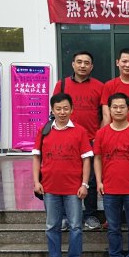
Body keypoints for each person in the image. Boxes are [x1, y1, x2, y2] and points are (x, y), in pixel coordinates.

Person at [33, 93, 92, 257]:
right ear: (52, 110)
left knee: (75, 226)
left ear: (72, 109)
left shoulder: (80, 131)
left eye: (66, 108)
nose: (62, 112)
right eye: (58, 109)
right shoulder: (44, 130)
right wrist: (36, 181)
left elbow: (86, 160)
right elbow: (36, 157)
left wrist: (84, 184)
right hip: (50, 187)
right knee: (52, 225)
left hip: (73, 188)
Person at [94, 93, 129, 257]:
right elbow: (97, 158)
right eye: (114, 107)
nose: (118, 110)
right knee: (113, 226)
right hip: (110, 187)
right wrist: (99, 181)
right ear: (109, 109)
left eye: (122, 107)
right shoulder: (101, 133)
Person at [52, 51, 103, 230]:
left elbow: (104, 114)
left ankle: (90, 215)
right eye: (79, 62)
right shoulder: (62, 84)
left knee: (91, 179)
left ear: (92, 66)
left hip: (91, 139)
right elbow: (54, 109)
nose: (82, 65)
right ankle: (65, 216)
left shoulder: (99, 86)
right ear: (73, 64)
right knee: (67, 177)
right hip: (66, 138)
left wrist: (99, 136)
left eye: (86, 63)